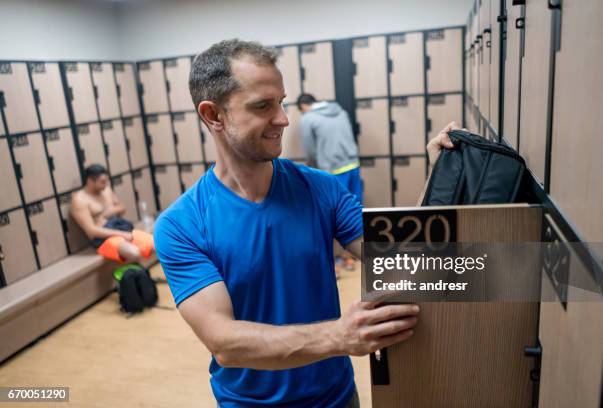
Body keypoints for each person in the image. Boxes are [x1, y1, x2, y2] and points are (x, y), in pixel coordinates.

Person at [153, 39, 454, 408]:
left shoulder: (321, 190)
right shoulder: (182, 226)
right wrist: (338, 337)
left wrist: (444, 182)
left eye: (281, 102)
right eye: (263, 106)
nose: (283, 118)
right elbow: (224, 342)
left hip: (338, 398)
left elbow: (407, 263)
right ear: (213, 115)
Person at [70, 164, 154, 264]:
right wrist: (123, 235)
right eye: (102, 182)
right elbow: (91, 231)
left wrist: (112, 211)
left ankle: (142, 276)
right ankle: (130, 277)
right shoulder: (79, 200)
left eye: (106, 181)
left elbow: (122, 208)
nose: (105, 185)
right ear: (90, 181)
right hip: (104, 239)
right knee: (134, 253)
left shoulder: (106, 190)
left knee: (157, 244)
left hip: (120, 227)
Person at [297, 93, 362, 204]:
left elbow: (310, 151)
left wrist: (313, 168)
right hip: (353, 165)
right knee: (355, 205)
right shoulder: (341, 112)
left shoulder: (307, 118)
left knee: (336, 209)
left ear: (302, 106)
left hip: (333, 169)